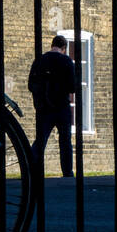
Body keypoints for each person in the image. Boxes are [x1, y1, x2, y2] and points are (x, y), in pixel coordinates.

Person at [28, 34, 77, 178]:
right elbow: (72, 87)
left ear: (52, 45)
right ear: (64, 48)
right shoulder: (67, 61)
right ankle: (67, 173)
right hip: (62, 107)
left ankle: (30, 170)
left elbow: (31, 85)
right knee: (65, 142)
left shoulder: (40, 60)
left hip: (44, 108)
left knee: (40, 141)